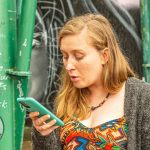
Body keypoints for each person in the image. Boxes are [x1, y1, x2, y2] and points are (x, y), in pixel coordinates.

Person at [29, 13, 150, 150]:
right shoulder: (67, 98)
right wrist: (43, 135)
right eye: (65, 56)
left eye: (78, 56)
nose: (68, 66)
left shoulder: (142, 97)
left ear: (105, 56)